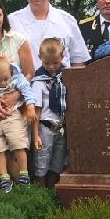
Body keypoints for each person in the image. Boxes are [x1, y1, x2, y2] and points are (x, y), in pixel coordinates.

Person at [8, 0, 90, 68]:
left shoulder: (67, 21)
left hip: (62, 78)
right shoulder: (12, 22)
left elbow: (78, 62)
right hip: (26, 78)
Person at [0, 56, 37, 192]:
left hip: (13, 117)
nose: (3, 83)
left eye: (5, 79)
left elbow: (28, 91)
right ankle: (4, 179)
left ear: (11, 73)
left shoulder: (17, 79)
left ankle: (24, 174)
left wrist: (31, 108)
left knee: (18, 144)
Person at [31, 38, 70, 187]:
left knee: (58, 163)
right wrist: (35, 135)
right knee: (42, 162)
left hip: (61, 127)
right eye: (47, 63)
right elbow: (36, 110)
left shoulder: (66, 77)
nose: (52, 67)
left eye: (55, 63)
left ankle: (53, 191)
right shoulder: (38, 81)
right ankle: (40, 192)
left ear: (62, 57)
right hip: (45, 127)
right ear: (40, 57)